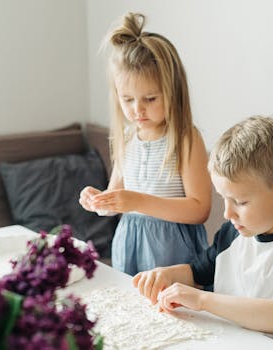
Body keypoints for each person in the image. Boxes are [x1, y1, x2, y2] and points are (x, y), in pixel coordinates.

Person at [132, 116, 273, 350]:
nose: (227, 213)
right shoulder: (234, 231)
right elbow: (198, 272)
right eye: (224, 199)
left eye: (240, 202)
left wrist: (202, 300)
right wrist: (166, 275)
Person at [79, 13, 212, 275]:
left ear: (172, 92)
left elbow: (199, 209)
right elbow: (118, 195)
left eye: (150, 98)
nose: (137, 109)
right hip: (130, 244)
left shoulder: (186, 138)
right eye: (127, 99)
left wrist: (136, 201)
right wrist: (99, 201)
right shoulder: (127, 138)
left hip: (172, 252)